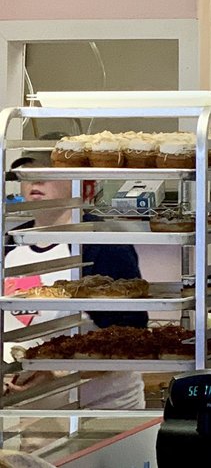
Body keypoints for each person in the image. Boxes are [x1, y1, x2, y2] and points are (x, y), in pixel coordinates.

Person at [3, 154, 147, 408]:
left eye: (48, 172)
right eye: (28, 173)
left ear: (79, 182)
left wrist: (60, 372)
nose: (36, 181)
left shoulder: (101, 243)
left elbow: (130, 337)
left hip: (100, 410)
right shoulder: (12, 242)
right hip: (29, 410)